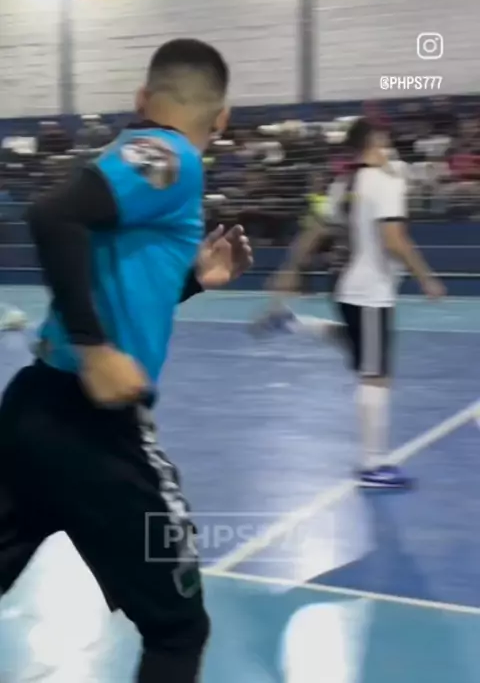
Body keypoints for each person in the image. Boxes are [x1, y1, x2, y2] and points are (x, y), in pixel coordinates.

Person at [0, 39, 253, 682]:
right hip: (96, 436)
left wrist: (191, 281)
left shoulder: (129, 154)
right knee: (178, 629)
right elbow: (50, 214)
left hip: (31, 412)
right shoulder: (175, 157)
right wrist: (95, 350)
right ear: (222, 119)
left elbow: (112, 272)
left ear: (142, 98)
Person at [256, 118, 445, 490]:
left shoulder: (343, 184)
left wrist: (289, 269)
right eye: (385, 141)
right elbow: (394, 239)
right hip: (370, 291)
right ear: (374, 143)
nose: (389, 148)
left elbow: (314, 231)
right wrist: (426, 276)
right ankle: (372, 464)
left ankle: (293, 323)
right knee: (375, 376)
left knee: (354, 342)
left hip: (344, 288)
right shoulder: (385, 183)